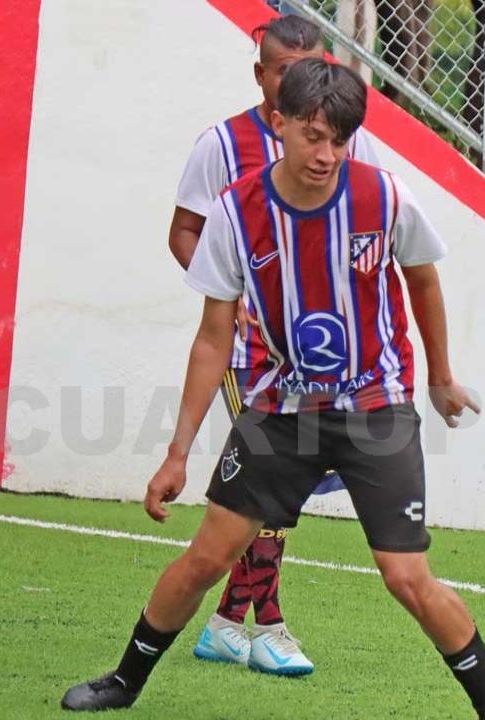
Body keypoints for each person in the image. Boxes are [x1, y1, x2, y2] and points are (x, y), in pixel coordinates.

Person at [63, 59, 485, 720]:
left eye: (339, 140)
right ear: (279, 123)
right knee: (206, 558)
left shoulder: (385, 196)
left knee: (406, 576)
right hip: (280, 410)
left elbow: (423, 279)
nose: (326, 154)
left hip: (375, 409)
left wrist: (442, 377)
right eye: (313, 136)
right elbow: (212, 337)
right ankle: (124, 681)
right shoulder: (235, 212)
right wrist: (177, 452)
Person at [169, 15, 383, 676]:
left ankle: (229, 622)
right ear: (262, 74)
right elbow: (184, 231)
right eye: (288, 71)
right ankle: (272, 624)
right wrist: (231, 304)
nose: (305, 83)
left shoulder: (347, 143)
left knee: (281, 485)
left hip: (320, 356)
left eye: (315, 66)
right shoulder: (223, 145)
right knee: (272, 478)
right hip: (250, 357)